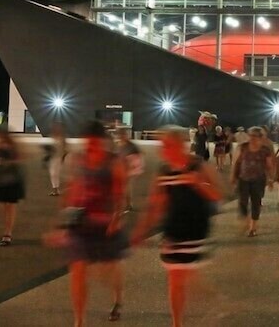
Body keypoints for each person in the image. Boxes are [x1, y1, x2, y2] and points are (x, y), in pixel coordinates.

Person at [132, 126, 223, 327]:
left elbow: (218, 196)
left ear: (181, 145)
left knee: (181, 276)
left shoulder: (198, 166)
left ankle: (209, 303)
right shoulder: (164, 171)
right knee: (177, 278)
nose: (163, 149)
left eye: (168, 145)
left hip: (195, 230)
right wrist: (141, 230)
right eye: (163, 145)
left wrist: (198, 183)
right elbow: (156, 203)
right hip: (172, 231)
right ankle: (179, 322)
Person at [64, 121, 128, 324]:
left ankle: (117, 301)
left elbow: (119, 194)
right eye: (87, 142)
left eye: (93, 142)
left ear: (102, 141)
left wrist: (116, 218)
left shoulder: (114, 162)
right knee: (78, 270)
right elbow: (74, 189)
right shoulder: (79, 159)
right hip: (81, 223)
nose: (89, 146)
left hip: (106, 224)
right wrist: (65, 221)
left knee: (110, 269)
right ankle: (79, 321)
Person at [231, 126, 275, 236]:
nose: (251, 138)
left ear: (260, 137)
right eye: (250, 135)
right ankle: (247, 220)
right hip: (243, 179)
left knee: (256, 203)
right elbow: (237, 163)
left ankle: (253, 227)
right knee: (242, 202)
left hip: (258, 180)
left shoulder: (265, 150)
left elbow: (269, 166)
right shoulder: (243, 147)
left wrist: (271, 179)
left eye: (254, 136)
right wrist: (233, 176)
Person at [0, 128, 25, 246]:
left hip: (12, 180)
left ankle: (7, 233)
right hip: (2, 180)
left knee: (10, 207)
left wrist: (6, 163)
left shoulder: (11, 146)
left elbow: (19, 158)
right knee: (7, 207)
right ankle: (7, 231)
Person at [115, 128, 144, 212]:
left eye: (122, 135)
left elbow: (138, 158)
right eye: (120, 135)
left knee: (125, 187)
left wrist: (136, 168)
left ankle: (127, 204)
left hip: (128, 169)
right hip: (122, 168)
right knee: (123, 187)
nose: (121, 137)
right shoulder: (120, 145)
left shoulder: (131, 146)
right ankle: (127, 204)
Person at [46, 123, 68, 196]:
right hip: (53, 158)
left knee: (56, 174)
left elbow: (65, 149)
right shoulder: (52, 137)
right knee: (53, 174)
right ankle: (55, 190)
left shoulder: (62, 138)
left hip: (58, 158)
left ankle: (56, 190)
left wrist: (63, 158)